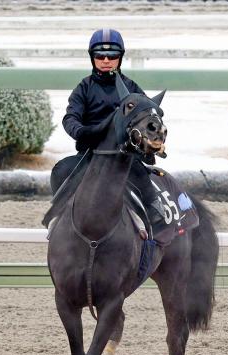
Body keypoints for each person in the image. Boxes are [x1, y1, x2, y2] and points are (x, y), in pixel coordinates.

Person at [50, 28, 165, 226]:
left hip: (126, 157)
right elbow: (70, 118)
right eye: (100, 55)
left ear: (120, 58)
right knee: (61, 170)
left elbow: (149, 119)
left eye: (112, 56)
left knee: (142, 179)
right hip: (90, 154)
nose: (105, 60)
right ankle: (57, 218)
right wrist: (82, 132)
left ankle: (156, 215)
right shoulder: (83, 88)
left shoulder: (132, 89)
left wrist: (152, 140)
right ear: (92, 57)